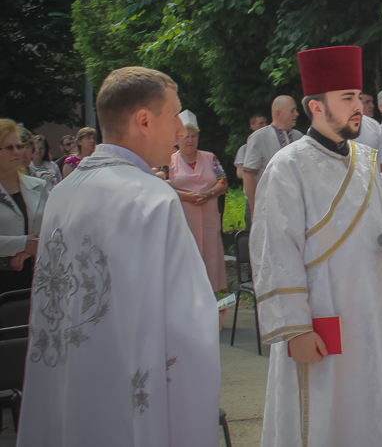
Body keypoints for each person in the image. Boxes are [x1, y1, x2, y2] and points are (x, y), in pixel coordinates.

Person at [18, 67, 220, 446]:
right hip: (127, 397)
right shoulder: (152, 198)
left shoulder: (61, 194)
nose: (181, 130)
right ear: (144, 120)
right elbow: (186, 326)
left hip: (70, 389)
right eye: (174, 115)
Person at [251, 45, 382, 447]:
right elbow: (276, 251)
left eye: (358, 97)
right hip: (322, 317)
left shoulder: (366, 159)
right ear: (316, 107)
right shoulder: (287, 166)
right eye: (346, 98)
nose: (358, 106)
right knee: (327, 414)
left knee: (378, 405)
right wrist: (295, 329)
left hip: (375, 314)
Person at [168, 110, 228, 296]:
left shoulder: (210, 158)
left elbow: (223, 182)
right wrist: (186, 196)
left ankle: (212, 305)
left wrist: (209, 194)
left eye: (194, 136)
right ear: (178, 138)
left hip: (208, 221)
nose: (190, 140)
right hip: (183, 222)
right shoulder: (169, 160)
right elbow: (159, 185)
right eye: (185, 136)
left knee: (210, 262)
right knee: (185, 265)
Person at [0, 119, 43, 296]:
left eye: (19, 146)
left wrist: (29, 251)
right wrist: (23, 244)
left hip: (36, 281)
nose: (17, 152)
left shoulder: (39, 186)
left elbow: (55, 227)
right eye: (9, 147)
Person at [242, 95, 301, 210]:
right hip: (268, 206)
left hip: (295, 205)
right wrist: (254, 209)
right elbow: (248, 175)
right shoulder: (259, 137)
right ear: (278, 113)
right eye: (292, 111)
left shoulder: (299, 137)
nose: (296, 114)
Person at [233, 113, 267, 180]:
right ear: (252, 127)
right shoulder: (244, 149)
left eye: (266, 123)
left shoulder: (272, 143)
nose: (265, 125)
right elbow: (240, 173)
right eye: (261, 123)